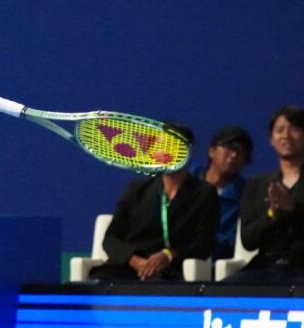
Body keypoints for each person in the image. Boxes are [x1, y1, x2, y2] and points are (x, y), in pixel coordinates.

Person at [89, 123, 219, 281]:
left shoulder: (204, 193)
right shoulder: (136, 189)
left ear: (188, 152)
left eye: (174, 146)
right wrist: (134, 260)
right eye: (161, 145)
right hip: (129, 266)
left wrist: (169, 255)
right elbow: (111, 239)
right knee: (97, 282)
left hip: (172, 268)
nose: (166, 152)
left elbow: (203, 244)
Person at [224, 105, 304, 284]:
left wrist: (292, 209)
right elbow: (248, 240)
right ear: (271, 140)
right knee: (224, 289)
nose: (286, 135)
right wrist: (272, 214)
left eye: (295, 129)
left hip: (301, 267)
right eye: (280, 130)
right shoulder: (256, 185)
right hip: (266, 266)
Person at [191, 126, 253, 259]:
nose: (235, 155)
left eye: (242, 152)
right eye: (229, 147)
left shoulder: (247, 195)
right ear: (211, 151)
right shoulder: (186, 179)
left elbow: (231, 241)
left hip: (212, 265)